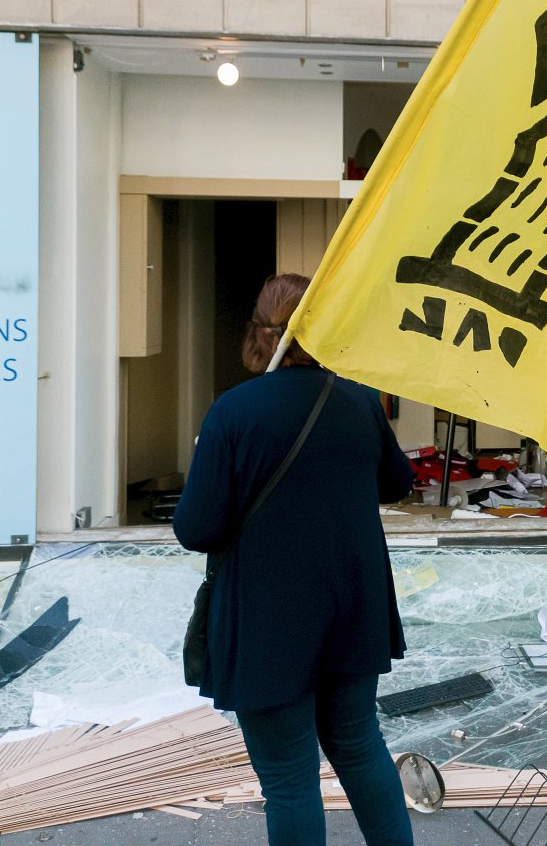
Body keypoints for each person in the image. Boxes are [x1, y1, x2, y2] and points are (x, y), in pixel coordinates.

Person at [174, 273, 415, 846]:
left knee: (288, 778)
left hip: (267, 617)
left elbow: (197, 529)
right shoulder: (358, 400)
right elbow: (398, 484)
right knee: (359, 746)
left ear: (259, 332)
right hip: (352, 606)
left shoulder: (234, 411)